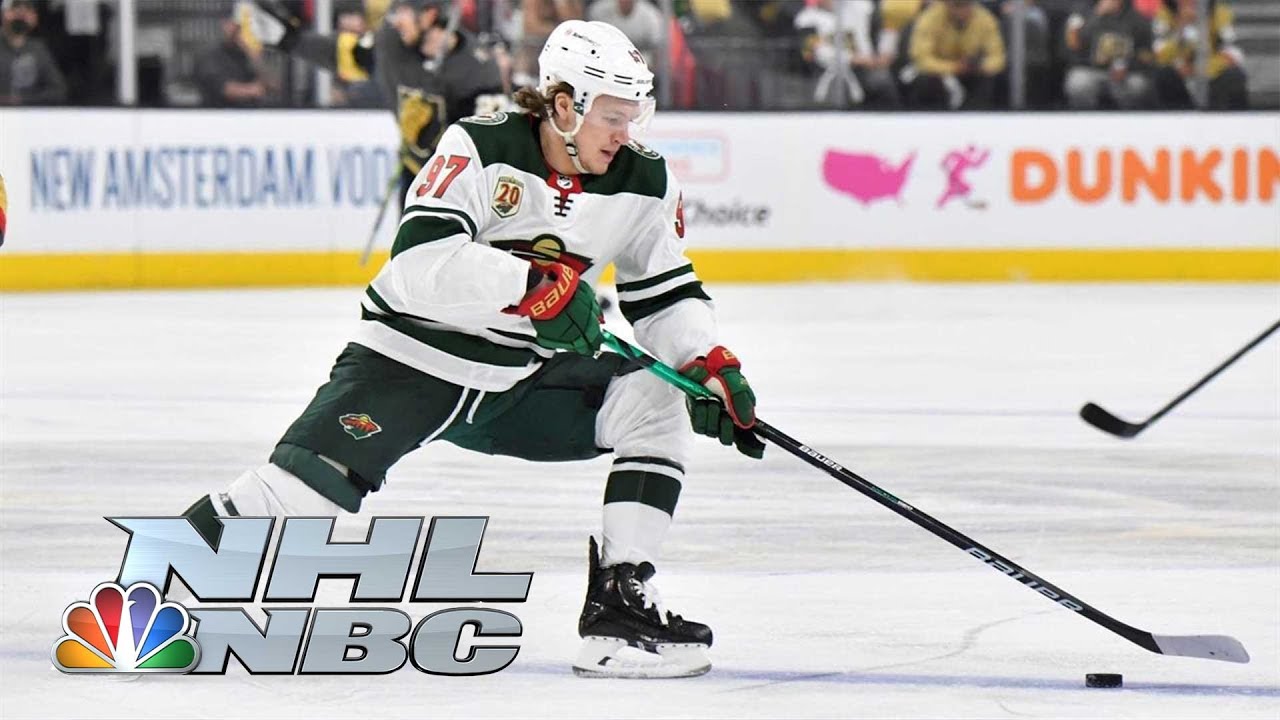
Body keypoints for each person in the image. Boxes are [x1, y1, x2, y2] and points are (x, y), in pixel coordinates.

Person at [175, 19, 763, 679]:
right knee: (298, 492)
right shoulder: (480, 145)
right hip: (412, 361)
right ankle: (150, 592)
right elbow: (418, 263)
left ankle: (617, 611)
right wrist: (531, 288)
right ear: (564, 105)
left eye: (635, 117)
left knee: (657, 398)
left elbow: (665, 295)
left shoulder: (644, 180)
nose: (626, 134)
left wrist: (703, 364)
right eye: (612, 117)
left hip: (522, 380)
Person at [251, 0, 507, 203]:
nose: (396, 20)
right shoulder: (391, 44)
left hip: (466, 189)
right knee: (411, 253)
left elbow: (490, 144)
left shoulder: (479, 69)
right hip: (417, 174)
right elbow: (347, 55)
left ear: (429, 15)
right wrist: (289, 40)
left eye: (404, 11)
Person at [904, 0, 1006, 110]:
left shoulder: (985, 19)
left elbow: (998, 57)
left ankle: (976, 114)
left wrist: (980, 66)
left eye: (966, 4)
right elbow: (921, 59)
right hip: (938, 73)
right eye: (957, 5)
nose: (962, 10)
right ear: (946, 4)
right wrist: (954, 67)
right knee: (925, 81)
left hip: (971, 71)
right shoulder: (929, 19)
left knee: (990, 79)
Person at [1151, 0, 1247, 110]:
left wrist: (1201, 69)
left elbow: (1234, 54)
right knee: (1163, 76)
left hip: (1211, 73)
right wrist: (1181, 29)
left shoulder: (1220, 13)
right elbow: (1159, 54)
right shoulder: (1164, 13)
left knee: (1234, 76)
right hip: (1178, 74)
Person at [1063, 0, 1157, 110]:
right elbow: (1074, 48)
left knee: (1137, 85)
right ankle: (1085, 117)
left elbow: (1147, 54)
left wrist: (1127, 65)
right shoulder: (1083, 14)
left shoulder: (1137, 19)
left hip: (1127, 73)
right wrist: (1096, 16)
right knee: (1078, 83)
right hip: (1091, 69)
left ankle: (1130, 117)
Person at [193, 11, 271, 107]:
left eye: (242, 25)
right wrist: (252, 90)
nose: (238, 29)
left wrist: (254, 56)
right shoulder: (209, 56)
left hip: (250, 112)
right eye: (233, 23)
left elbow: (273, 85)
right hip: (217, 112)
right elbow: (223, 89)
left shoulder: (247, 53)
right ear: (224, 25)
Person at [0, 0, 67, 105]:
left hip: (30, 111)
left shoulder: (38, 49)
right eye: (15, 8)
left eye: (27, 9)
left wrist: (22, 99)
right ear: (2, 14)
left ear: (34, 18)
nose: (21, 13)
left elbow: (58, 91)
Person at [586, 0, 665, 67]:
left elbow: (656, 52)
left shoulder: (651, 16)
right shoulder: (598, 11)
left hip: (640, 63)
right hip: (606, 60)